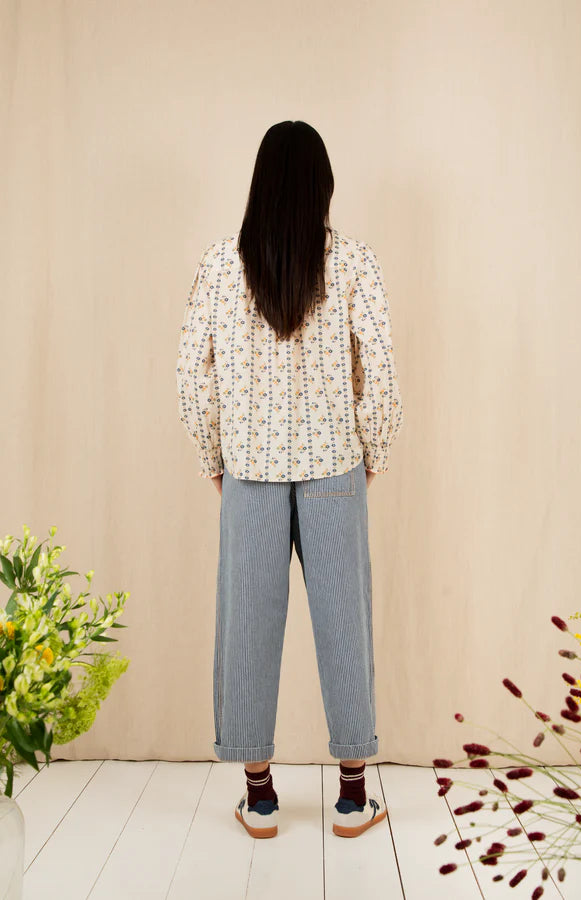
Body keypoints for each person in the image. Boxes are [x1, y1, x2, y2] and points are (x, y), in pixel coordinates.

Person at [176, 120, 403, 839]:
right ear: (322, 186)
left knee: (246, 627)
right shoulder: (355, 263)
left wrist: (218, 460)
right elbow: (385, 376)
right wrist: (373, 453)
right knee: (346, 623)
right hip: (336, 469)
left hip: (250, 475)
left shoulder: (220, 265)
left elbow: (191, 378)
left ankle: (260, 794)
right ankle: (352, 794)